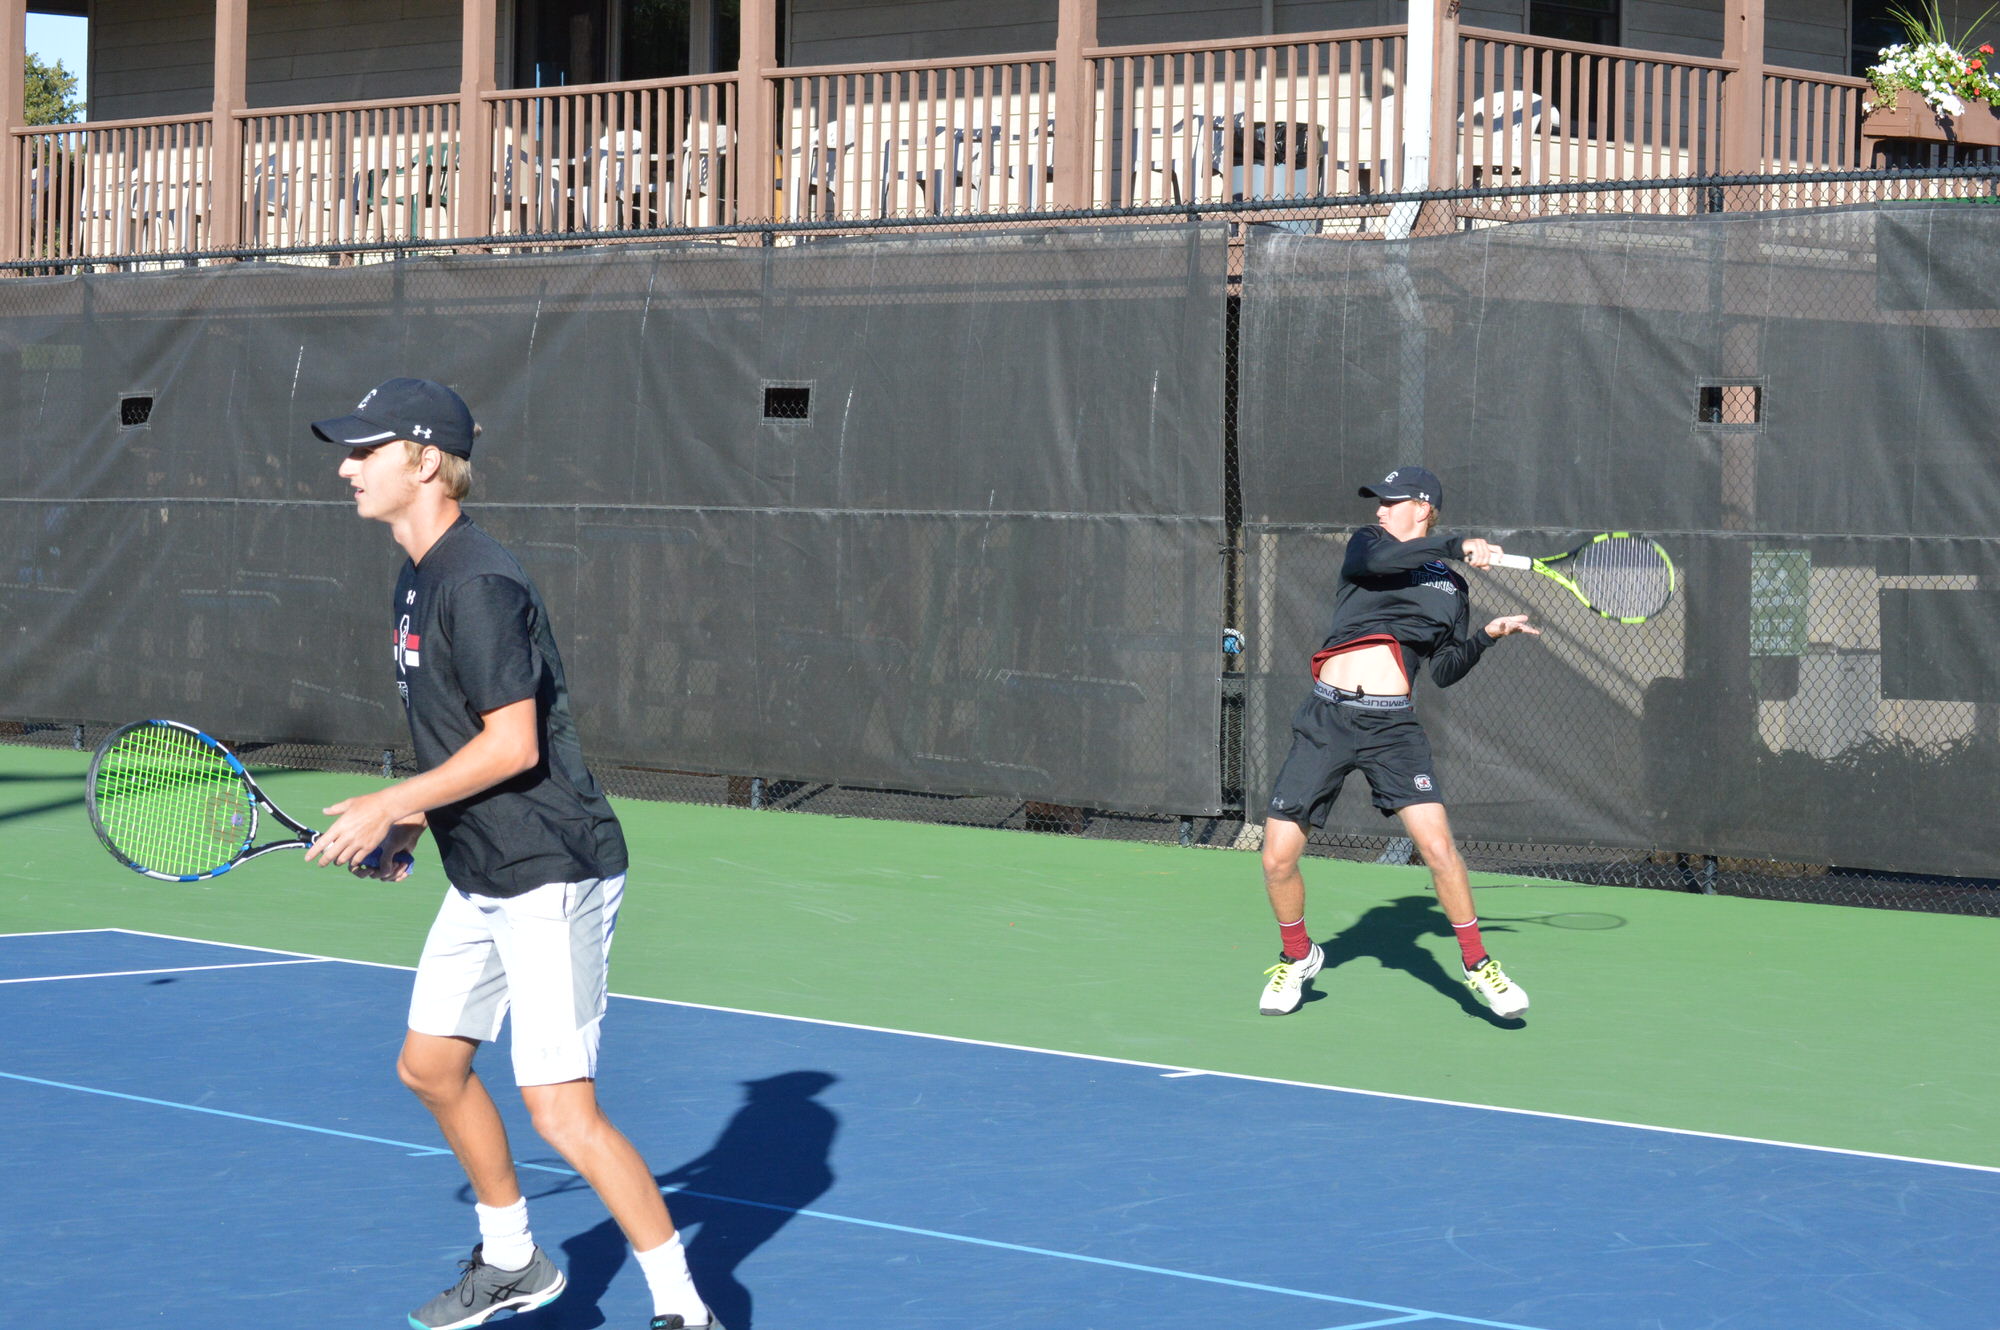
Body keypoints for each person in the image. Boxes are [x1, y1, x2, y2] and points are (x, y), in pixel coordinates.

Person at [301, 378, 719, 1330]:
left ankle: (683, 1312)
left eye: (365, 450)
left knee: (561, 1112)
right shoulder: (418, 571)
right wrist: (412, 824)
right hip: (482, 864)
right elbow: (461, 736)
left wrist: (391, 802)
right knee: (430, 1067)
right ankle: (513, 1259)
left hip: (551, 870)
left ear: (422, 459)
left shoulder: (476, 581)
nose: (346, 467)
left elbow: (514, 744)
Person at [1257, 466, 1538, 1021]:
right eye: (1377, 501)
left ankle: (1478, 963)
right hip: (1327, 718)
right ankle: (1298, 955)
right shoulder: (1368, 547)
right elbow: (1383, 562)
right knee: (1276, 859)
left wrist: (1488, 634)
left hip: (1392, 729)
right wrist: (1457, 544)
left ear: (1423, 506)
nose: (1379, 509)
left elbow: (1446, 670)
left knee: (1439, 850)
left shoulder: (1452, 587)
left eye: (1391, 501)